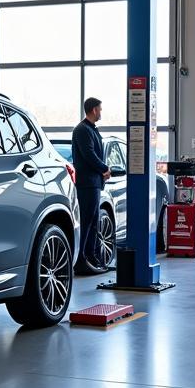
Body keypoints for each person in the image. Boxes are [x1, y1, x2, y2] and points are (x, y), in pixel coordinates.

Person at [71, 97, 111, 274]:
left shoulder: (91, 129)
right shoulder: (82, 130)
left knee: (94, 222)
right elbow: (89, 154)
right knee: (87, 222)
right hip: (87, 184)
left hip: (94, 183)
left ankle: (92, 257)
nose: (101, 112)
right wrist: (104, 168)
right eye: (100, 109)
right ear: (94, 110)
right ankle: (82, 260)